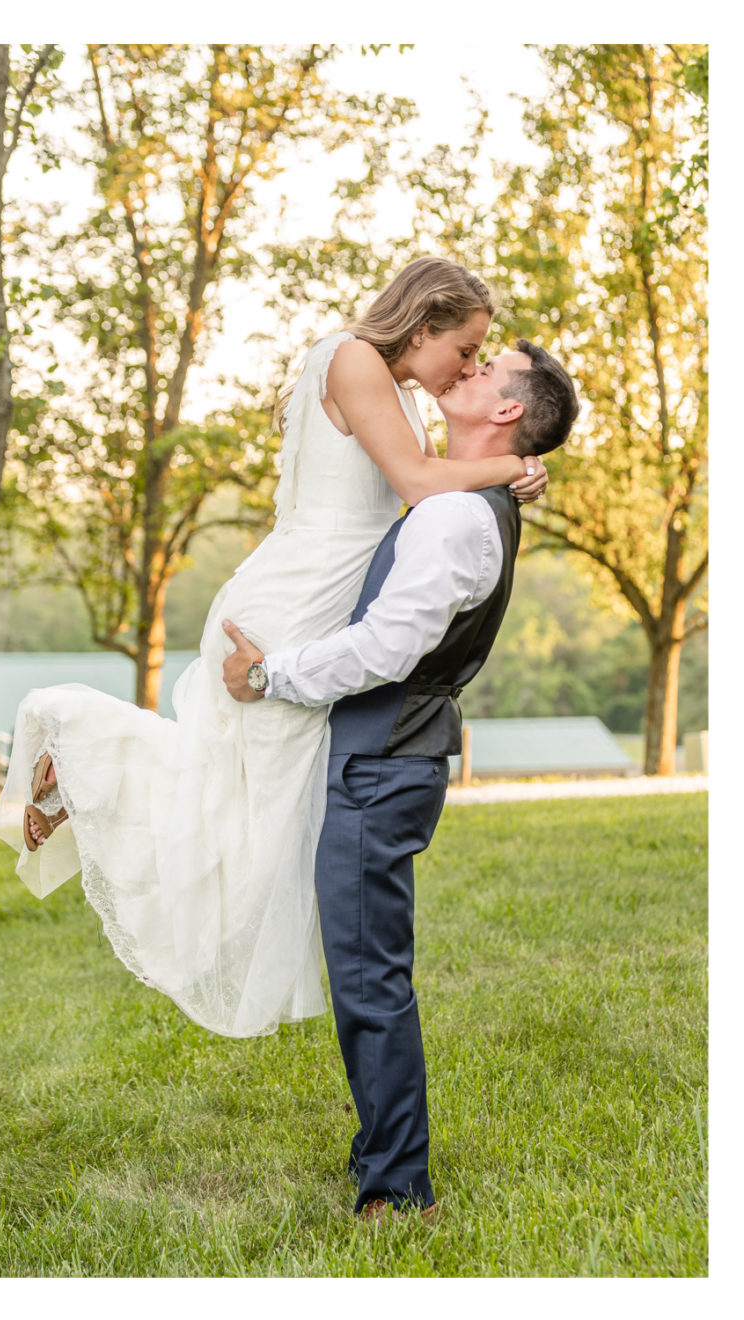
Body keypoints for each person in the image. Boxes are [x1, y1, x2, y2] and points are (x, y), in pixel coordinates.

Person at [0, 258, 549, 1038]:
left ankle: (84, 776)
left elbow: (428, 480)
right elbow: (420, 483)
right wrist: (516, 463)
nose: (468, 365)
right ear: (421, 327)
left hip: (323, 592)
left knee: (250, 801)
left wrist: (502, 468)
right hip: (299, 599)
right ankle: (78, 752)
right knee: (238, 801)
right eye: (464, 347)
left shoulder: (386, 379)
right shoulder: (353, 356)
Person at [221, 337, 579, 1217]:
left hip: (383, 763)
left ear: (504, 413)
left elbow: (388, 647)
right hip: (386, 757)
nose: (470, 368)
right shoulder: (455, 499)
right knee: (363, 971)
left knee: (371, 977)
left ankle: (398, 1186)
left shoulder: (456, 519)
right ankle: (379, 1154)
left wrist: (273, 676)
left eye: (488, 369)